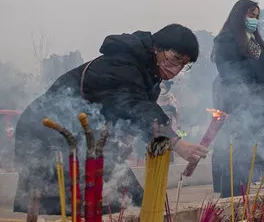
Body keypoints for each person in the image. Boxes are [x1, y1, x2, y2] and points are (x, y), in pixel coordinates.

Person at [13, 24, 207, 214]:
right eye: (175, 59)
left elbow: (126, 117)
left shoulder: (148, 74)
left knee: (132, 202)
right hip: (51, 136)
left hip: (87, 141)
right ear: (156, 48)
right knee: (94, 204)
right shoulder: (121, 65)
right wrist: (177, 143)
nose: (176, 69)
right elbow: (137, 107)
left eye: (184, 65)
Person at [211, 0, 264, 197]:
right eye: (250, 15)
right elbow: (230, 73)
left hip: (259, 109)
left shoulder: (254, 41)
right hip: (239, 109)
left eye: (256, 17)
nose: (254, 20)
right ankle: (231, 203)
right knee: (236, 162)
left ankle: (246, 205)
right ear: (239, 15)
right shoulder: (226, 40)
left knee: (254, 162)